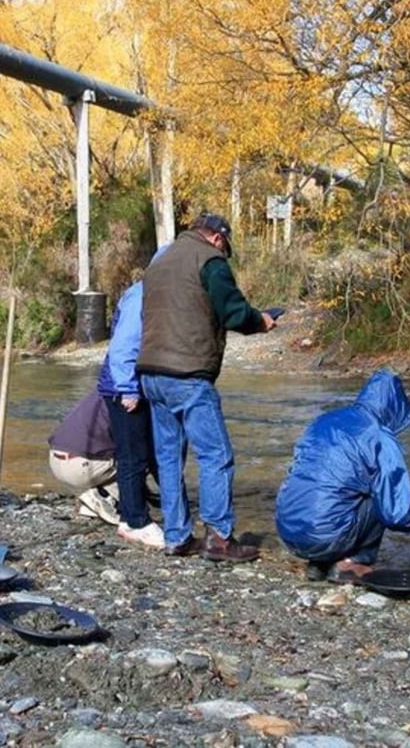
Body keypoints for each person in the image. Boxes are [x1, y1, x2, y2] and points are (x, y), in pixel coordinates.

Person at [137, 212, 275, 561]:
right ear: (217, 238)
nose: (224, 252)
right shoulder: (210, 260)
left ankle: (177, 536)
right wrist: (261, 321)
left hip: (151, 372)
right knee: (216, 455)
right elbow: (233, 313)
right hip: (187, 374)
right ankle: (219, 538)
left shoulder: (160, 261)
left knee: (169, 459)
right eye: (225, 246)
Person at [275, 369, 410, 582]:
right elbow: (395, 513)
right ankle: (353, 563)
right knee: (380, 496)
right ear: (394, 406)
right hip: (326, 538)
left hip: (288, 531)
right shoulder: (379, 435)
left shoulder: (323, 420)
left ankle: (319, 564)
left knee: (331, 491)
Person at [97, 262, 164, 549]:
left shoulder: (151, 292)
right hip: (123, 386)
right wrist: (128, 389)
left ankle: (135, 513)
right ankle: (134, 521)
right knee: (133, 455)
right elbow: (123, 346)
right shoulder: (141, 295)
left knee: (143, 453)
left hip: (132, 383)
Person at [47, 387, 120, 525]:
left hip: (56, 460)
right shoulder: (126, 401)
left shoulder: (97, 393)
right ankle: (109, 497)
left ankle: (93, 501)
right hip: (81, 467)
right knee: (138, 459)